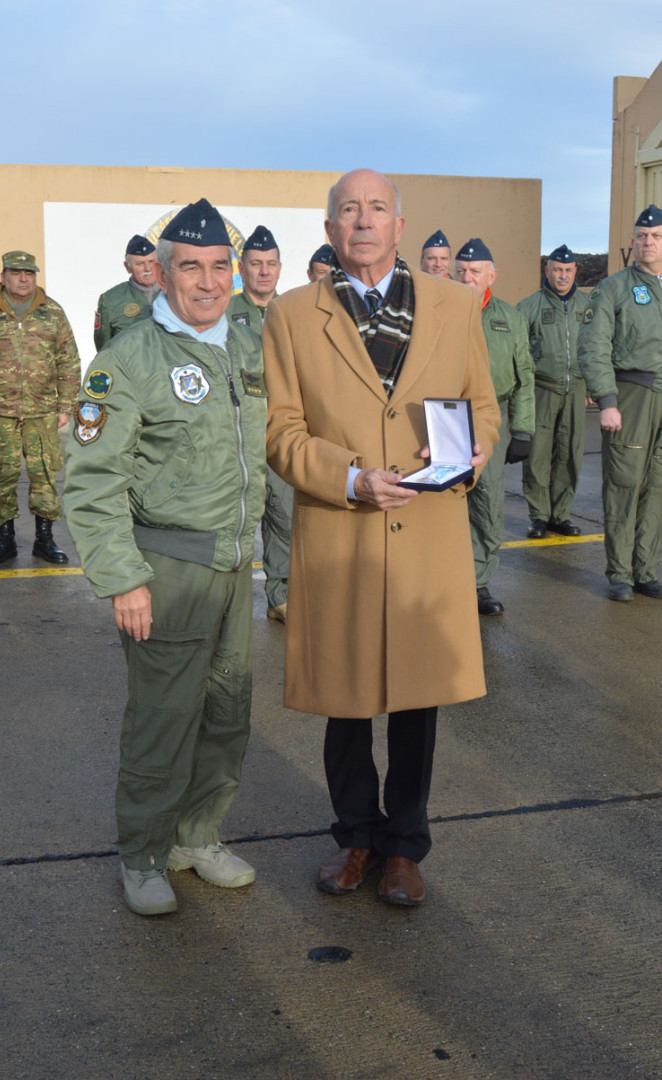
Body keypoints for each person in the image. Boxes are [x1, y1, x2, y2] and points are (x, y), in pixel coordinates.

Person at [263, 169, 499, 907]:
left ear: (400, 225)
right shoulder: (294, 314)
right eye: (348, 211)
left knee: (417, 704)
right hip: (344, 529)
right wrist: (352, 478)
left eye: (376, 209)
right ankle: (356, 836)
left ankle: (405, 847)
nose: (362, 221)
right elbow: (282, 434)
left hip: (425, 529)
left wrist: (476, 450)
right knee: (346, 696)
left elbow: (482, 406)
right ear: (331, 229)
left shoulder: (456, 305)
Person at [63, 199, 267, 916]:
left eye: (219, 268)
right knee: (163, 718)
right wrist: (122, 579)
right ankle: (142, 854)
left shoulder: (246, 346)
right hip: (167, 570)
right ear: (162, 274)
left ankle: (196, 836)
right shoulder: (128, 360)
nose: (207, 283)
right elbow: (90, 481)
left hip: (237, 566)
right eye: (191, 267)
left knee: (225, 712)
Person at [0, 250, 79, 565]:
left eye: (29, 273)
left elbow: (68, 359)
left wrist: (66, 404)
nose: (24, 279)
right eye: (16, 273)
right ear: (3, 276)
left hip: (41, 412)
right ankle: (5, 540)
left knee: (44, 475)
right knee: (2, 475)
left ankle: (45, 540)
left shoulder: (52, 312)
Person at [577, 203, 662, 602]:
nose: (649, 242)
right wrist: (608, 400)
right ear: (633, 242)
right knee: (625, 484)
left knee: (657, 488)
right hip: (633, 396)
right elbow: (593, 346)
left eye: (656, 236)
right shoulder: (613, 288)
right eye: (643, 236)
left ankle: (646, 570)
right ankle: (620, 574)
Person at [455, 238, 535, 615]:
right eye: (461, 271)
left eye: (474, 272)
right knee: (445, 498)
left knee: (487, 501)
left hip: (493, 418)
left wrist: (523, 430)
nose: (467, 278)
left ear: (492, 275)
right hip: (449, 416)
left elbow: (524, 377)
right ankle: (444, 578)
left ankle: (478, 582)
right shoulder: (441, 311)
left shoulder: (510, 318)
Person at [229, 226, 293, 623]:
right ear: (242, 268)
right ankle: (226, 600)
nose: (264, 272)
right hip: (237, 430)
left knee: (283, 514)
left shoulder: (294, 311)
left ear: (280, 268)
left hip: (282, 428)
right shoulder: (225, 311)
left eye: (270, 264)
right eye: (256, 264)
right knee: (233, 515)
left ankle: (281, 594)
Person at [516, 245, 589, 539]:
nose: (563, 276)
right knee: (538, 455)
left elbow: (600, 344)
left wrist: (595, 384)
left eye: (568, 271)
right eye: (557, 270)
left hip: (577, 390)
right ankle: (538, 516)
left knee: (570, 454)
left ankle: (561, 514)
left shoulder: (589, 305)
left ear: (575, 273)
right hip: (541, 390)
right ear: (547, 271)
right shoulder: (529, 306)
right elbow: (519, 352)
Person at [93, 234, 159, 350]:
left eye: (151, 262)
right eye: (140, 264)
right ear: (127, 267)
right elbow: (103, 349)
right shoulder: (111, 300)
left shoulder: (176, 293)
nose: (148, 268)